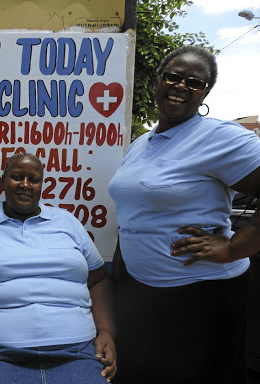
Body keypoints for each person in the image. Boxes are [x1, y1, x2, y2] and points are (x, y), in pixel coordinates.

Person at [108, 45, 260, 384]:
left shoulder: (218, 137)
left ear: (205, 93)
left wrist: (237, 247)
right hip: (142, 293)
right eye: (173, 76)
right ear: (158, 82)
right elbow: (135, 210)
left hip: (201, 297)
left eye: (195, 82)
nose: (181, 86)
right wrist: (122, 263)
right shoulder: (142, 144)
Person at [0, 152, 116, 384]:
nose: (25, 185)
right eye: (17, 177)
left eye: (33, 179)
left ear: (42, 185)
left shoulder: (67, 223)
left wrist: (107, 332)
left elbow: (98, 279)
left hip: (76, 353)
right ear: (2, 182)